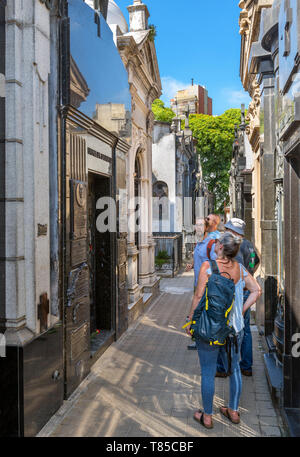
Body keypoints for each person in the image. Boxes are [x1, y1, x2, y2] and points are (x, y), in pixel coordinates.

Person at [185, 232, 261, 429]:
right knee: (235, 368)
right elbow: (257, 290)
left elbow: (198, 296)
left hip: (210, 328)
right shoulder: (241, 269)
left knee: (208, 372)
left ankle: (207, 416)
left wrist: (191, 321)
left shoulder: (208, 267)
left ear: (220, 247)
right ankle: (233, 411)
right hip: (234, 328)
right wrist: (241, 310)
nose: (215, 244)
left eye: (217, 242)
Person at [215, 218, 260, 377]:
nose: (226, 230)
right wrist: (249, 274)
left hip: (229, 293)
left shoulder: (230, 245)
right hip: (246, 291)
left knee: (224, 329)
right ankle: (246, 366)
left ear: (233, 231)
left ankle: (222, 367)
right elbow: (256, 261)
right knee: (245, 329)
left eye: (228, 228)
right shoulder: (248, 245)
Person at [185, 214, 221, 350]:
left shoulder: (213, 241)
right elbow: (201, 257)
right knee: (200, 311)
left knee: (200, 311)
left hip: (205, 284)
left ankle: (201, 339)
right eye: (196, 224)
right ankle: (200, 337)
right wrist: (193, 264)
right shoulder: (201, 240)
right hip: (197, 282)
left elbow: (214, 263)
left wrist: (208, 282)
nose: (197, 227)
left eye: (200, 224)